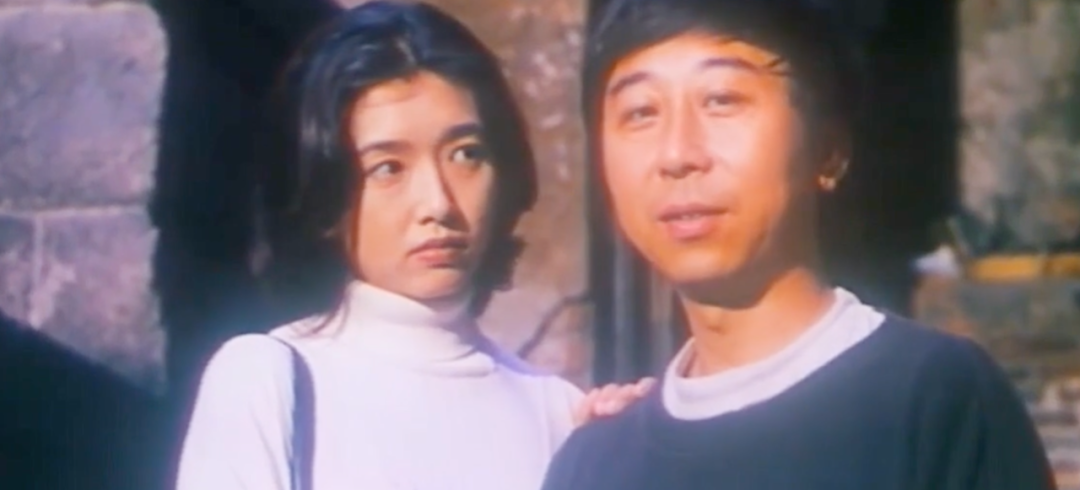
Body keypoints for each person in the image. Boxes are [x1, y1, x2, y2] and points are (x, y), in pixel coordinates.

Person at [541, 0, 1057, 489]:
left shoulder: (935, 400)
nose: (676, 154)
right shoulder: (593, 461)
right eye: (639, 112)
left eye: (722, 100)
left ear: (828, 150)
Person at [175, 2, 650, 489]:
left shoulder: (555, 410)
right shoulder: (271, 378)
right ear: (326, 193)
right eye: (388, 168)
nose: (437, 203)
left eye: (465, 155)